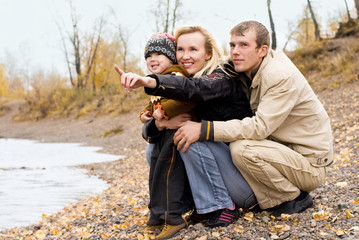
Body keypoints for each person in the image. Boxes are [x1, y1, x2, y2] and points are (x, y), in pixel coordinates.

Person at [118, 20, 333, 217]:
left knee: (236, 148)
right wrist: (158, 123)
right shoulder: (237, 68)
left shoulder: (269, 75)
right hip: (275, 154)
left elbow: (258, 127)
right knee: (161, 144)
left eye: (244, 45)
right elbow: (184, 95)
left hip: (306, 163)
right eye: (232, 45)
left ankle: (291, 197)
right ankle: (190, 205)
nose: (236, 52)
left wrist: (151, 83)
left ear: (262, 50)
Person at [116, 25, 257, 231]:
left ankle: (221, 206)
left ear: (208, 53)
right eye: (180, 50)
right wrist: (160, 123)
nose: (185, 56)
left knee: (188, 137)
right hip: (225, 172)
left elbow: (197, 91)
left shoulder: (222, 77)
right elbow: (148, 132)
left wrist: (149, 81)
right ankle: (198, 205)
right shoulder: (188, 81)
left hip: (246, 182)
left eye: (193, 50)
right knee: (154, 149)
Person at [123, 32, 197, 239]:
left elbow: (186, 98)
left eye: (159, 54)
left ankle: (173, 217)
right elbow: (152, 103)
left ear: (171, 58)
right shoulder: (158, 81)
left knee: (168, 173)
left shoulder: (176, 75)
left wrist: (163, 113)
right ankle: (156, 215)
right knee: (156, 172)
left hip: (177, 136)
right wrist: (145, 114)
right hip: (164, 135)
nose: (152, 59)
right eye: (149, 56)